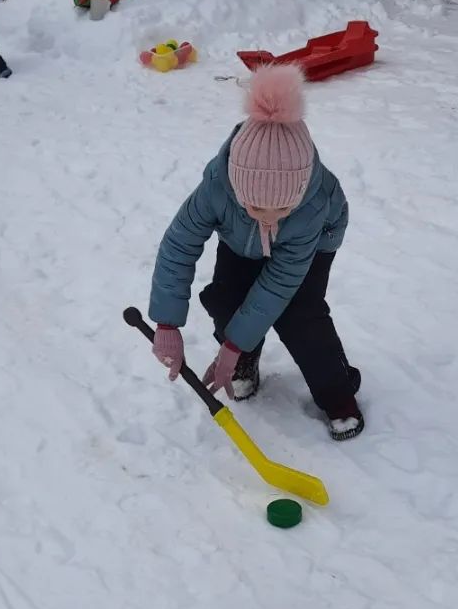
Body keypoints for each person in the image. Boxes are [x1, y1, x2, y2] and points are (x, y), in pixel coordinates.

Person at [147, 65, 364, 441]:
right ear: (235, 186)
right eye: (253, 206)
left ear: (298, 194)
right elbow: (179, 244)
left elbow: (279, 284)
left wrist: (230, 346)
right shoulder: (217, 186)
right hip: (239, 241)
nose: (267, 217)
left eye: (280, 210)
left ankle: (337, 392)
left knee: (300, 316)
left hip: (311, 246)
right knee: (227, 298)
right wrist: (167, 324)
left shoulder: (313, 205)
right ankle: (246, 359)